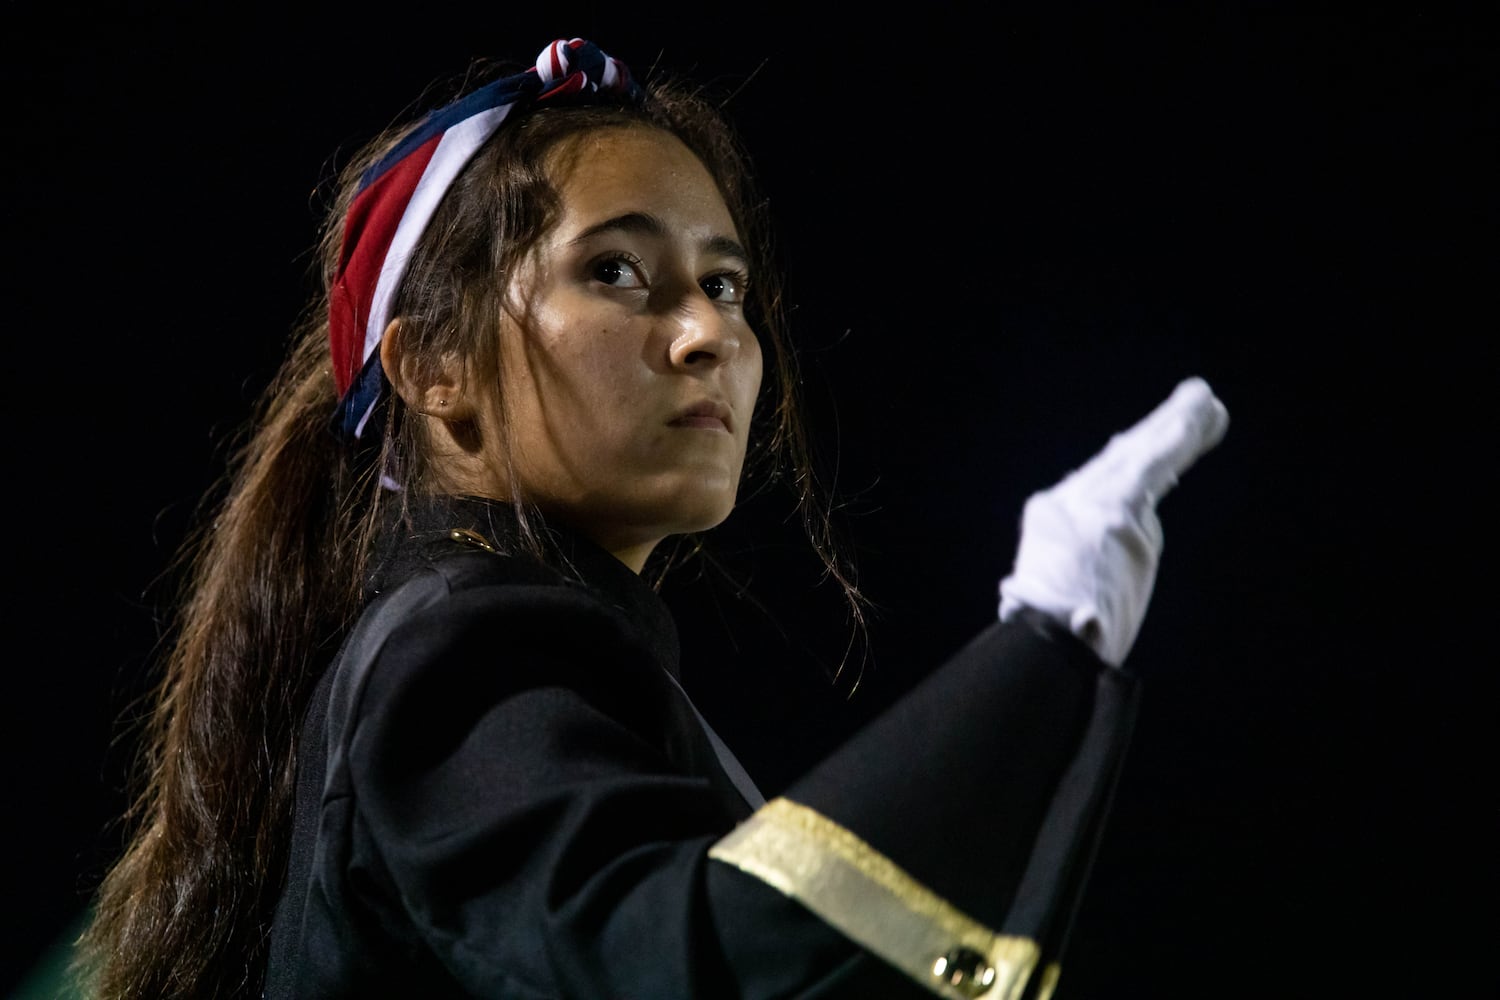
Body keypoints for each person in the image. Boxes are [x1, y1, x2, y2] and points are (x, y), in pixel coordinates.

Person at [76, 37, 1229, 1000]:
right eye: (618, 271)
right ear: (433, 366)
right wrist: (1040, 650)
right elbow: (687, 961)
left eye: (725, 285)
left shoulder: (520, 655)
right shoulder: (458, 648)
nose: (707, 333)